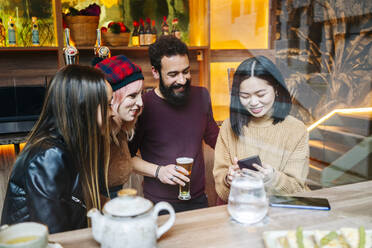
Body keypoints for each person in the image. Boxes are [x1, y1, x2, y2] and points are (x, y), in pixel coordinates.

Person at [1, 65, 113, 233]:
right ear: (84, 108)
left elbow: (75, 201)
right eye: (108, 105)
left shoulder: (72, 145)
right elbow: (55, 235)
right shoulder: (48, 157)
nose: (112, 113)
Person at [129, 35, 219, 212]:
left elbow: (216, 139)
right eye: (173, 74)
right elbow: (126, 158)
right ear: (155, 72)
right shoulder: (142, 105)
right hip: (159, 204)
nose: (182, 80)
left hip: (198, 200)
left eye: (186, 71)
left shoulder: (201, 96)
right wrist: (158, 171)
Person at [213, 56, 310, 203]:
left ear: (276, 89)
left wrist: (272, 178)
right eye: (245, 96)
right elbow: (222, 191)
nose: (253, 102)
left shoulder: (296, 129)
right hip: (244, 210)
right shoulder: (228, 127)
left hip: (284, 212)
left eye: (261, 94)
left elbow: (297, 189)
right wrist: (228, 179)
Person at [94, 55, 145, 197]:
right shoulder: (96, 136)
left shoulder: (120, 129)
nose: (141, 103)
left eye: (141, 94)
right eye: (132, 96)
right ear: (112, 97)